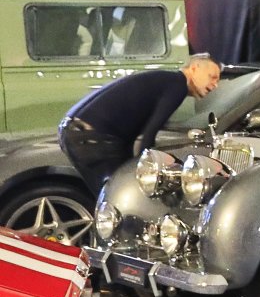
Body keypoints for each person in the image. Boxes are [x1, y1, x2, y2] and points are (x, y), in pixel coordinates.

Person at [58, 53, 222, 196]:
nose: (215, 85)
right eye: (212, 77)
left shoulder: (164, 79)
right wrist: (147, 168)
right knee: (123, 196)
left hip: (72, 130)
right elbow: (148, 134)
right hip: (94, 136)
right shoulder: (178, 84)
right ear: (194, 68)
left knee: (109, 198)